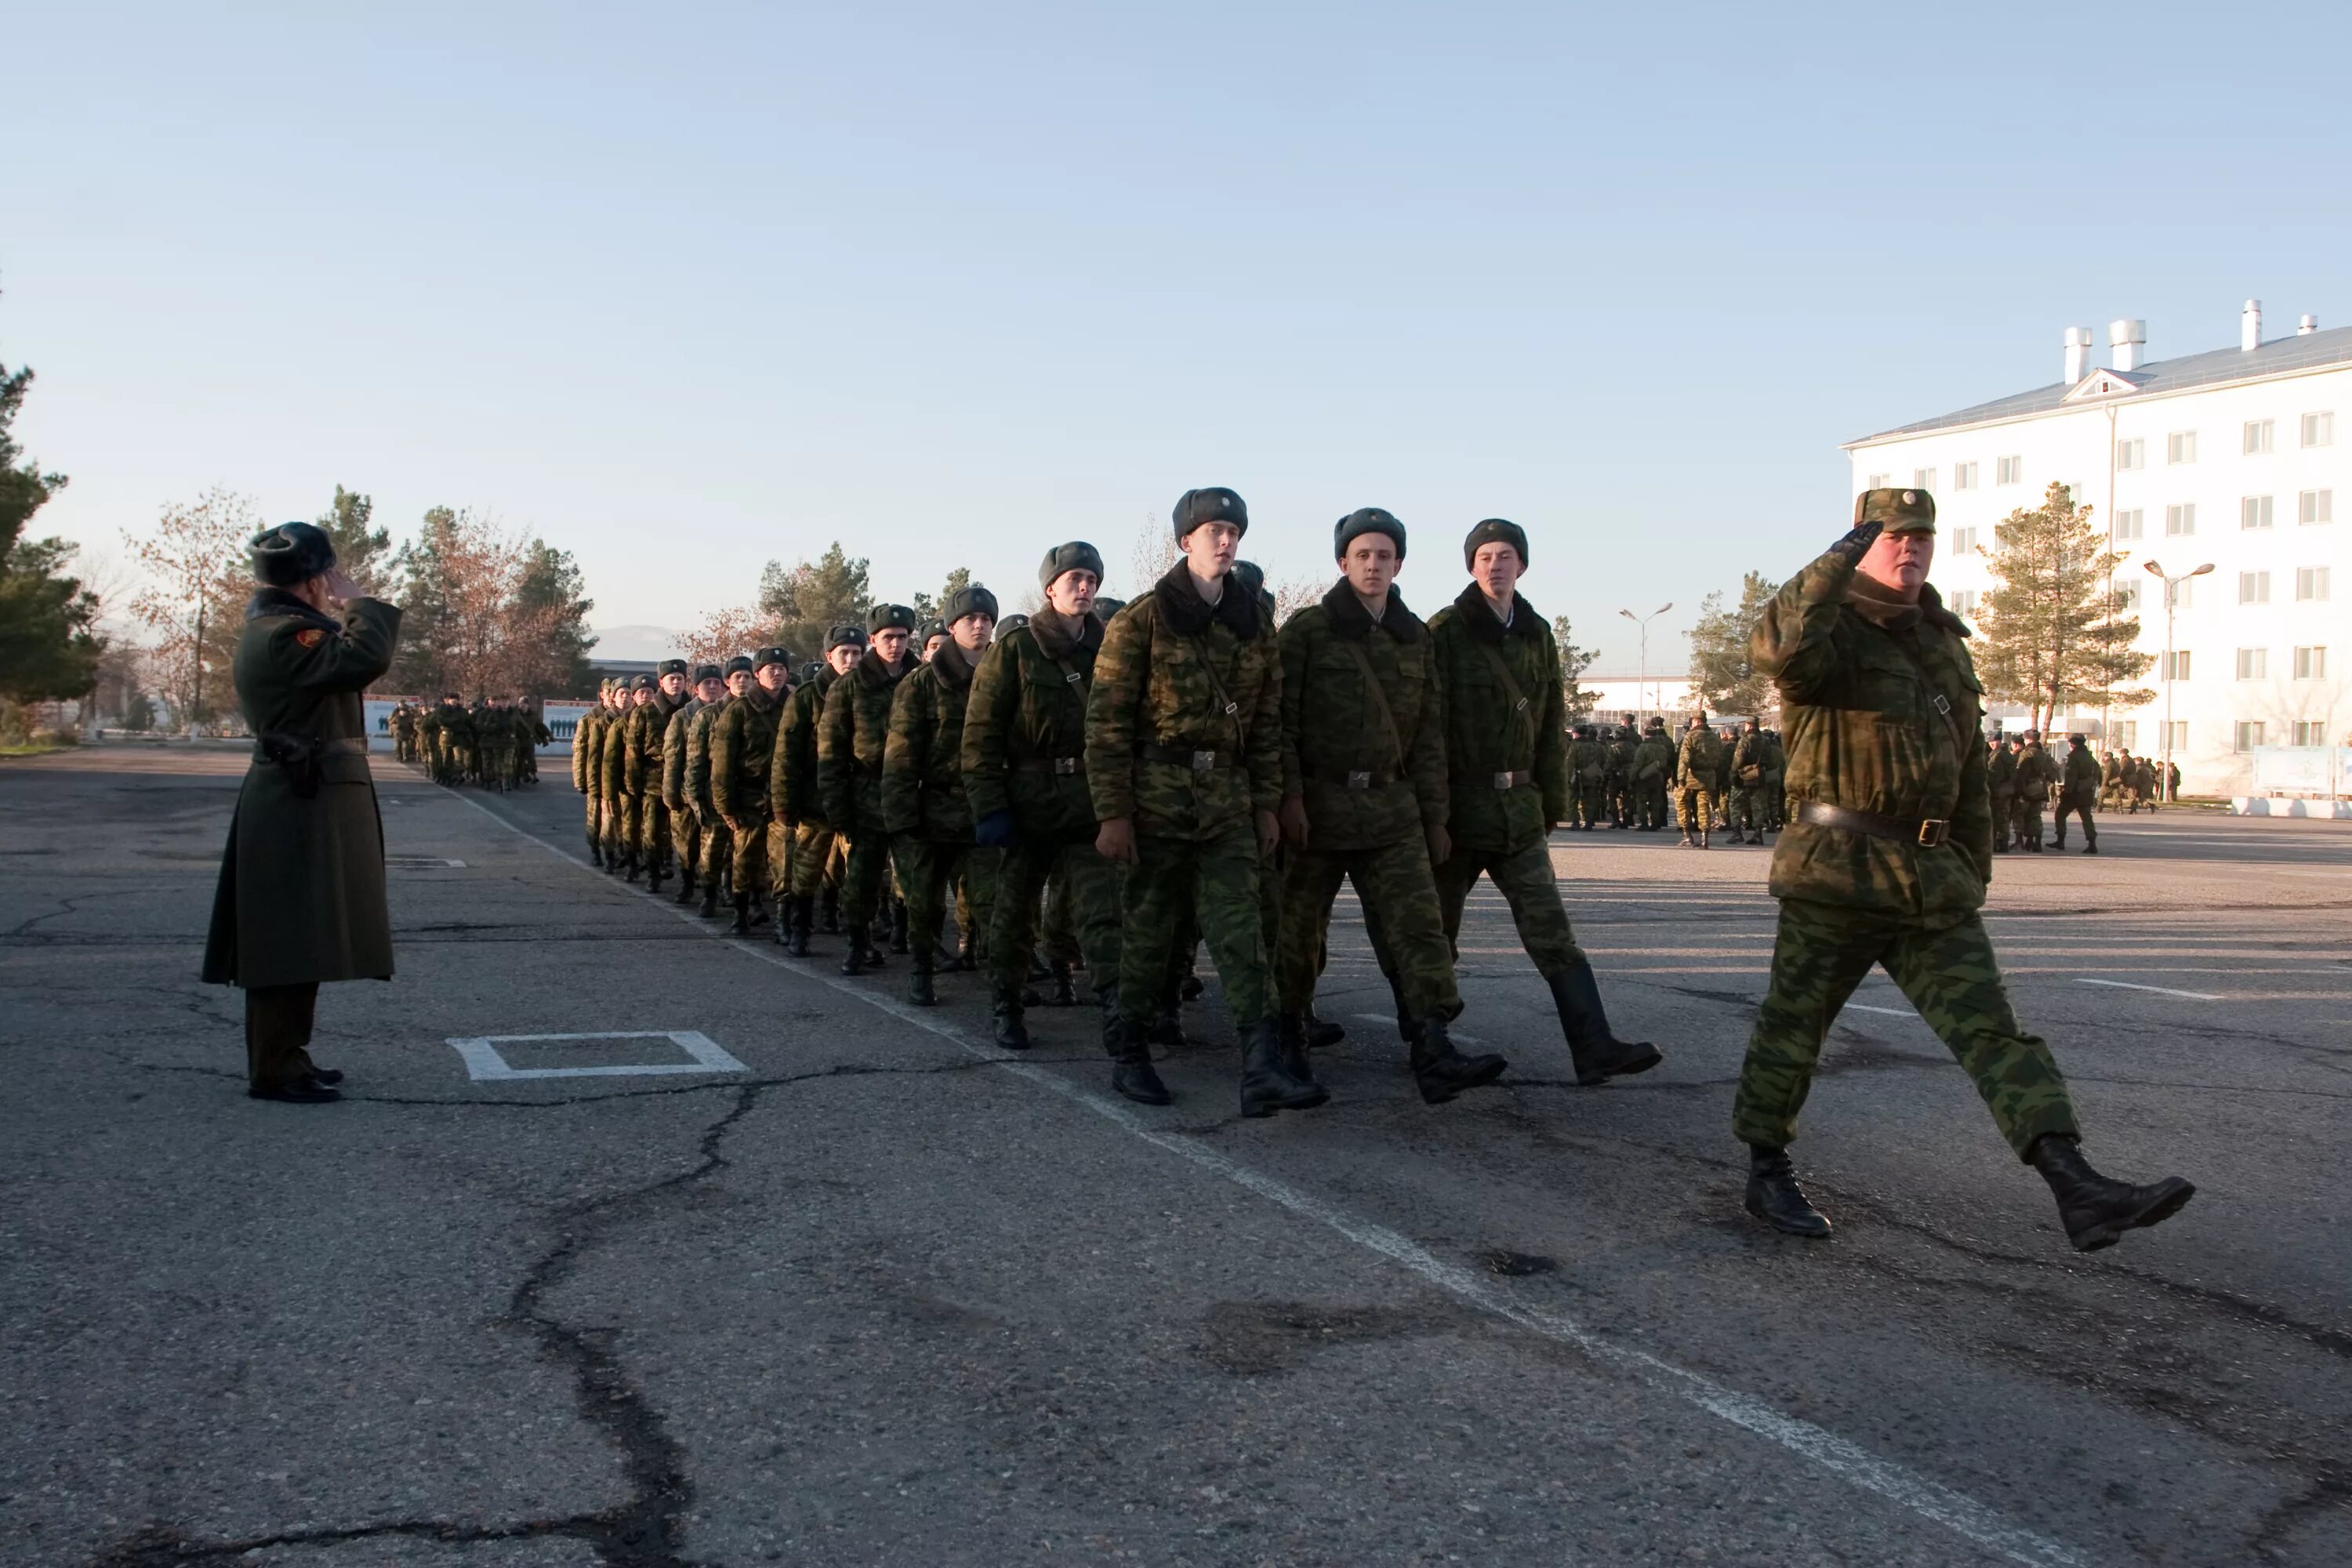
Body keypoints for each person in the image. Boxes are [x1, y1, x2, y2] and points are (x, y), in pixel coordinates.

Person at [1735, 488, 2194, 1251]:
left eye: (1921, 536)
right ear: (1860, 543)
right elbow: (1775, 649)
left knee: (1993, 1031)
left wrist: (1971, 866)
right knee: (1794, 1028)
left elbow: (1971, 765)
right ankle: (1766, 1165)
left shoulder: (1944, 640)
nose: (1909, 548)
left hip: (1931, 880)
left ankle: (2073, 1180)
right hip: (1837, 873)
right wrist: (1835, 560)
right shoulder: (1831, 633)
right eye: (1891, 536)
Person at [1087, 486, 1308, 1116]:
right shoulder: (1141, 620)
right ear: (1185, 541)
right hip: (1155, 800)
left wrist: (1265, 803)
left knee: (1244, 934)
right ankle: (1130, 1052)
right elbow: (1106, 726)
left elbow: (1267, 722)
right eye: (1211, 530)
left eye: (1232, 530)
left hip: (1227, 802)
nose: (1224, 539)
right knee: (1149, 933)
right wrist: (1113, 813)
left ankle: (1262, 1066)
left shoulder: (1252, 621)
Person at [1276, 508, 1505, 1105]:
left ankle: (1432, 1048)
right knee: (1296, 936)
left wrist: (1434, 818)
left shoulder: (1415, 637)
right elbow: (1279, 723)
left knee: (1419, 931)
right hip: (1319, 810)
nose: (1373, 565)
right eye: (1362, 555)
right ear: (1342, 563)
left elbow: (1430, 734)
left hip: (1391, 809)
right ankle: (1288, 1047)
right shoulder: (1307, 631)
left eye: (1384, 555)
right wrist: (1288, 800)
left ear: (1399, 563)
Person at [1425, 517, 1661, 1087]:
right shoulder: (1445, 631)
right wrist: (1433, 814)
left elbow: (1554, 720)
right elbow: (1427, 727)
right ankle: (1432, 1049)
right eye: (1484, 557)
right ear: (1470, 566)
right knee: (1435, 932)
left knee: (1552, 932)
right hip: (1461, 809)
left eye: (1505, 555)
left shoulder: (1536, 632)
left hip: (1520, 812)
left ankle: (1594, 1046)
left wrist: (1551, 801)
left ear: (1522, 565)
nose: (1495, 565)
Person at [201, 521, 402, 1103]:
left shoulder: (282, 629)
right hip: (297, 795)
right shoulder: (285, 635)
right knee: (285, 938)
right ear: (315, 580)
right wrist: (360, 601)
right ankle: (274, 1067)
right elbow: (364, 655)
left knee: (302, 933)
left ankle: (289, 1054)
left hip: (304, 790)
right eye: (328, 576)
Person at [964, 543, 1127, 1065]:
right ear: (1050, 588)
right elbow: (981, 734)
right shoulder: (1014, 649)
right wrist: (990, 807)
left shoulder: (1110, 650)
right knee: (1015, 914)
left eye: (1091, 580)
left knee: (1103, 912)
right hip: (1028, 802)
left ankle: (1118, 1013)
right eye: (1074, 579)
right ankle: (1006, 1004)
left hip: (1089, 801)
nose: (1084, 588)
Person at [884, 586, 998, 1004]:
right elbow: (899, 757)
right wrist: (900, 819)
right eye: (971, 619)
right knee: (925, 904)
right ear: (952, 627)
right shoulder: (920, 684)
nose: (980, 625)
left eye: (987, 619)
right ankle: (921, 970)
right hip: (931, 812)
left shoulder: (1003, 674)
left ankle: (1006, 989)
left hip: (985, 808)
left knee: (994, 902)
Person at [822, 604, 920, 973]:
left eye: (902, 637)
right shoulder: (848, 688)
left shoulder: (922, 680)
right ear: (872, 641)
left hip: (914, 794)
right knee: (861, 880)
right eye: (887, 638)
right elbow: (830, 753)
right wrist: (838, 808)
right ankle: (858, 942)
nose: (895, 645)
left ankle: (918, 948)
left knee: (918, 880)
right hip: (868, 794)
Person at [775, 626, 863, 954]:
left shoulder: (867, 690)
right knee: (806, 870)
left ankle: (858, 938)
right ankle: (799, 928)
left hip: (856, 798)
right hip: (816, 800)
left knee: (857, 872)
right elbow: (787, 755)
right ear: (829, 656)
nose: (852, 660)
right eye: (845, 654)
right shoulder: (807, 696)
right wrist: (785, 802)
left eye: (857, 653)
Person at [711, 648, 793, 932]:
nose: (777, 673)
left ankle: (783, 921)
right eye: (771, 668)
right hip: (749, 798)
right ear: (758, 674)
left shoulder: (794, 706)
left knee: (785, 861)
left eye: (782, 668)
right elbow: (722, 764)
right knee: (745, 859)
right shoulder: (739, 710)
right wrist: (725, 807)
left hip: (783, 798)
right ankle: (742, 913)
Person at [688, 658, 753, 916]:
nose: (743, 681)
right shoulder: (707, 716)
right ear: (729, 682)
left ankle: (735, 895)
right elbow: (695, 760)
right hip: (714, 794)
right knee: (713, 851)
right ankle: (710, 893)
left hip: (747, 795)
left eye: (747, 676)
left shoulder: (757, 711)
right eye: (737, 677)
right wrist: (695, 798)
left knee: (743, 853)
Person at [623, 659, 691, 891]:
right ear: (661, 682)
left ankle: (685, 878)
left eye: (680, 679)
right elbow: (633, 752)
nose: (676, 683)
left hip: (683, 781)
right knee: (652, 832)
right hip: (653, 781)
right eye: (671, 679)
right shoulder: (645, 712)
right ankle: (653, 873)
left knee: (684, 835)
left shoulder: (692, 709)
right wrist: (633, 785)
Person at [662, 664, 726, 906]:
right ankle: (687, 882)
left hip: (714, 793)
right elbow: (673, 758)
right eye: (706, 684)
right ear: (696, 687)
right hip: (685, 793)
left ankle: (713, 891)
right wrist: (671, 795)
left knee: (715, 848)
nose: (712, 687)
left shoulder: (727, 713)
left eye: (716, 683)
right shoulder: (682, 717)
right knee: (686, 845)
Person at [1675, 715, 1722, 848]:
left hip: (1691, 775)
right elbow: (1720, 757)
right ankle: (1704, 837)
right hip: (1709, 775)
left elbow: (1684, 759)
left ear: (1696, 721)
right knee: (1704, 806)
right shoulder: (1715, 738)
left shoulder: (1690, 736)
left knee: (1682, 803)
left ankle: (1687, 836)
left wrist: (1681, 777)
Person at [2053, 732, 2101, 854]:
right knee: (2087, 818)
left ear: (2072, 744)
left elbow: (2071, 776)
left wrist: (2066, 792)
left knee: (2060, 814)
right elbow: (2097, 773)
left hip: (2074, 793)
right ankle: (2092, 843)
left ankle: (2060, 841)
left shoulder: (2074, 757)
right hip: (2087, 792)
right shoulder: (2089, 756)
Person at [2012, 728, 2058, 852]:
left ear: (2029, 740)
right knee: (2035, 816)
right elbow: (2053, 773)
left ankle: (2019, 841)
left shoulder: (2026, 754)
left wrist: (2019, 791)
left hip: (2027, 789)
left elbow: (2021, 773)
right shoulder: (2045, 755)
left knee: (2019, 814)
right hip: (2040, 789)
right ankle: (2035, 842)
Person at [1730, 717, 1769, 845]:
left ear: (1748, 725)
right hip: (1759, 775)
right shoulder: (1765, 740)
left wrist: (1733, 772)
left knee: (1735, 804)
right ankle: (1758, 834)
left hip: (1744, 775)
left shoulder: (1745, 739)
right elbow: (1771, 760)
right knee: (1758, 805)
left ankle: (1737, 834)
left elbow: (1738, 759)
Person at [1632, 717, 1674, 830]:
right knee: (1656, 800)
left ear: (1646, 734)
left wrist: (1633, 777)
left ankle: (1644, 823)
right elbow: (1665, 762)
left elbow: (1638, 764)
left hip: (1644, 778)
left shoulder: (1643, 747)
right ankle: (1656, 822)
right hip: (1658, 776)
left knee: (1642, 801)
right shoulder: (1662, 747)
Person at [1986, 731, 2017, 852]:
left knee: (1996, 817)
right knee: (2003, 818)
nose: (1992, 744)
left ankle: (1997, 843)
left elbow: (1995, 776)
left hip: (1999, 790)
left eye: (1994, 741)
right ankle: (2002, 843)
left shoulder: (1997, 756)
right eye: (1990, 741)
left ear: (1999, 740)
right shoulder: (2006, 754)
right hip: (2006, 790)